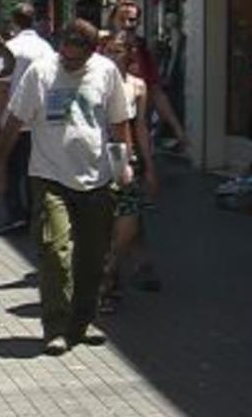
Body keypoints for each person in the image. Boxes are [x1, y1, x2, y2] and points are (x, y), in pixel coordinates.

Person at [0, 19, 133, 355]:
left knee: (93, 255)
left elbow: (119, 121)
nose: (67, 62)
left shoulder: (106, 71)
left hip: (96, 178)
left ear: (91, 51)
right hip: (49, 175)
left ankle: (82, 323)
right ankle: (56, 326)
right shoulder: (40, 72)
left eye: (75, 59)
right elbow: (15, 121)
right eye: (64, 55)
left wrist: (125, 163)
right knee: (55, 250)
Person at [99, 34, 158, 312]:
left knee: (129, 220)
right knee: (104, 224)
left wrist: (149, 166)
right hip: (98, 158)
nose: (113, 56)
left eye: (119, 51)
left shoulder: (137, 86)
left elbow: (141, 127)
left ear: (130, 54)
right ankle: (107, 282)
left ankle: (109, 271)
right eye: (108, 51)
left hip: (125, 158)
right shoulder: (95, 84)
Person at [0, 3, 55, 230]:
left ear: (14, 22)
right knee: (33, 170)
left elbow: (4, 86)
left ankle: (17, 214)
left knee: (10, 167)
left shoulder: (9, 48)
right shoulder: (46, 48)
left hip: (14, 118)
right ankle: (37, 214)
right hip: (41, 119)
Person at [109, 0, 190, 150]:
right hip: (111, 131)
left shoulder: (141, 49)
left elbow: (155, 90)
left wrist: (177, 129)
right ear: (112, 21)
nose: (127, 24)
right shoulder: (101, 49)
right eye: (121, 19)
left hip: (138, 128)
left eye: (131, 20)